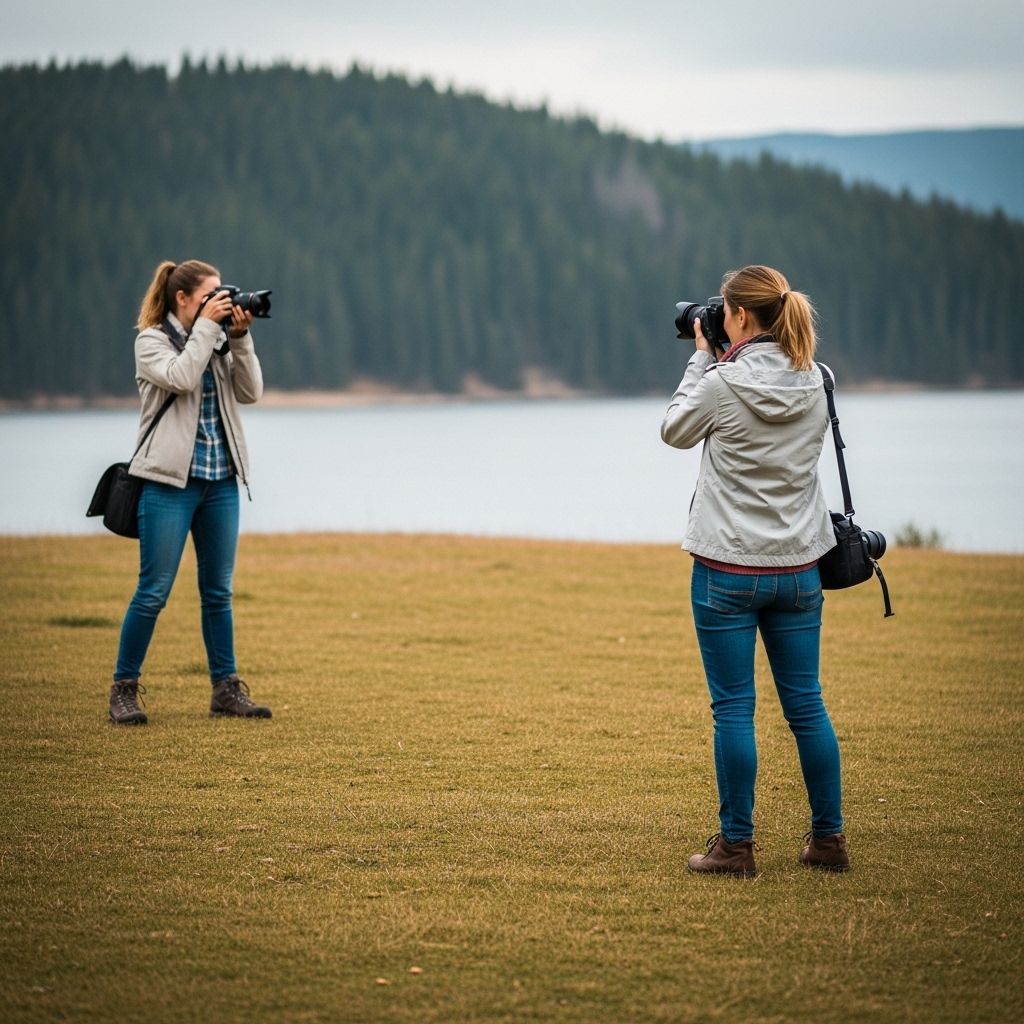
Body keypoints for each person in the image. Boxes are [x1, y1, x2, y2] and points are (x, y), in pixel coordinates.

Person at [661, 264, 849, 876]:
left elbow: (674, 431)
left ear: (740, 316)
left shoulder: (721, 382)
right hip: (799, 568)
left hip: (726, 568)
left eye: (722, 309)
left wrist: (701, 359)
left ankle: (736, 847)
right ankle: (827, 840)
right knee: (807, 705)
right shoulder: (817, 379)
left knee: (734, 709)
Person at [108, 259, 271, 725]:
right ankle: (123, 689)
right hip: (167, 484)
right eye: (210, 296)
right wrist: (206, 330)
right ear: (182, 299)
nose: (221, 303)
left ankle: (226, 689)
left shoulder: (218, 339)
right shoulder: (150, 341)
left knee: (218, 592)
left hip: (220, 481)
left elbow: (251, 392)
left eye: (224, 294)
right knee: (153, 591)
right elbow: (180, 377)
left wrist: (239, 339)